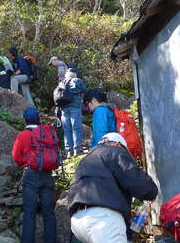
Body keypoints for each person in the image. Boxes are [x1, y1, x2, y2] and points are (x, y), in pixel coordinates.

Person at [68, 133, 158, 243]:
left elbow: (101, 193)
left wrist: (127, 215)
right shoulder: (115, 151)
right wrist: (151, 192)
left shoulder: (87, 159)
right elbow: (136, 180)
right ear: (118, 144)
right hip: (102, 221)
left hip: (77, 222)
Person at [12, 107, 57, 243]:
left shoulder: (22, 135)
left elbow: (16, 156)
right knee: (48, 212)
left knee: (29, 212)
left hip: (31, 174)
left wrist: (24, 164)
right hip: (47, 173)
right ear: (39, 119)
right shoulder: (47, 133)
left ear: (25, 120)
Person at [59, 68, 87, 157]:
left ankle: (68, 152)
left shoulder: (62, 82)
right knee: (76, 128)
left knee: (67, 130)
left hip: (63, 108)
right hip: (74, 107)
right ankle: (77, 150)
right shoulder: (77, 80)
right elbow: (84, 90)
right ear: (74, 74)